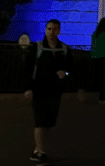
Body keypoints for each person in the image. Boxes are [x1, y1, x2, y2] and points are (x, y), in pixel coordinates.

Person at [24, 19, 73, 165]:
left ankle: (37, 150)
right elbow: (28, 68)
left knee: (49, 122)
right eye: (49, 29)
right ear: (45, 30)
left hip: (55, 91)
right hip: (39, 90)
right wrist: (28, 87)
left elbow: (71, 68)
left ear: (59, 31)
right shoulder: (37, 47)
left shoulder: (64, 49)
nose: (51, 32)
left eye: (54, 29)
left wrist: (66, 73)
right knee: (40, 121)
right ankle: (41, 153)